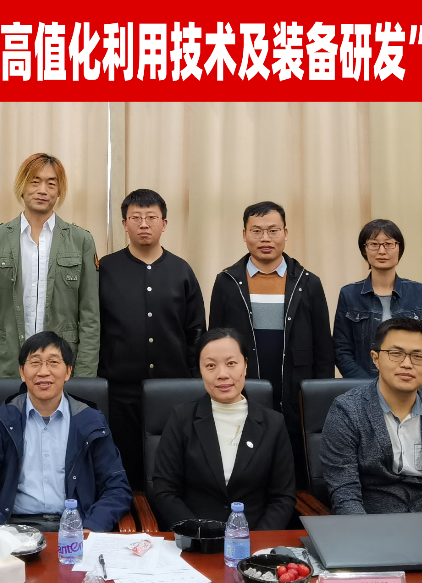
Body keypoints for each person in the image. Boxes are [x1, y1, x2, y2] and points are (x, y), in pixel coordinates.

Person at [208, 201, 333, 485]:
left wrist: (318, 397)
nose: (265, 238)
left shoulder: (307, 283)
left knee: (296, 472)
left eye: (273, 231)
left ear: (285, 233)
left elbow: (324, 349)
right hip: (243, 388)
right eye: (257, 231)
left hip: (295, 391)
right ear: (244, 234)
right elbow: (215, 342)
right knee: (245, 466)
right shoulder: (227, 281)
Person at [0, 332, 131, 532]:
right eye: (35, 363)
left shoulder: (90, 421)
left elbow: (117, 488)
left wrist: (92, 527)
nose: (43, 372)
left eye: (53, 362)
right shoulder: (3, 420)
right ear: (22, 372)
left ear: (68, 371)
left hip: (76, 528)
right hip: (14, 528)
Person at [320, 317, 422, 523]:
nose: (407, 364)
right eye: (396, 354)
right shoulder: (347, 411)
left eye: (418, 356)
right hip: (371, 528)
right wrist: (365, 537)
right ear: (375, 358)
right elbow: (344, 493)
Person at [98, 189, 205, 489]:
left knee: (171, 471)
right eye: (135, 217)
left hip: (173, 390)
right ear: (124, 224)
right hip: (119, 392)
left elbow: (196, 331)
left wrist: (194, 382)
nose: (144, 224)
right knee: (124, 471)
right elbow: (94, 326)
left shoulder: (181, 270)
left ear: (164, 223)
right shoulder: (106, 269)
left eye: (151, 217)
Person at [0, 153, 100, 379]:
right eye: (35, 181)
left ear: (59, 192)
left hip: (62, 366)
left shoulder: (81, 241)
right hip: (7, 365)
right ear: (21, 186)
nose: (42, 190)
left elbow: (90, 317)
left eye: (51, 184)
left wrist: (84, 377)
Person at [150, 329, 295, 531]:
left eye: (231, 363)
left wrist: (257, 541)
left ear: (245, 365)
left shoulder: (273, 423)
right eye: (211, 366)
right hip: (195, 538)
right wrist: (198, 533)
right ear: (200, 370)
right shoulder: (181, 419)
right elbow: (164, 490)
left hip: (255, 539)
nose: (222, 374)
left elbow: (283, 497)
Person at [333, 220, 422, 392]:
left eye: (389, 244)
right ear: (364, 250)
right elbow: (342, 350)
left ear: (399, 248)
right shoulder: (349, 294)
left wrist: (410, 380)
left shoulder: (420, 292)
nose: (382, 251)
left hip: (411, 389)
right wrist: (370, 389)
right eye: (374, 244)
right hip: (363, 391)